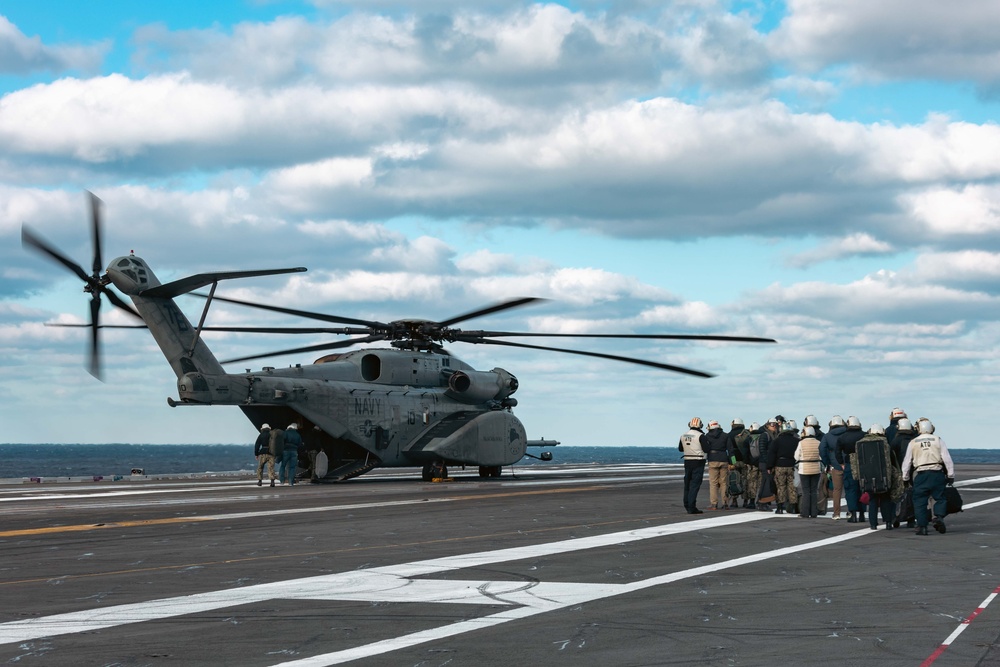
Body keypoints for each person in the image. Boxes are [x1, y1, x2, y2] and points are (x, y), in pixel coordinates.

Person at [901, 419, 955, 535]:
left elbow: (907, 462)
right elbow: (947, 459)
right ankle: (939, 516)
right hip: (937, 473)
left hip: (921, 474)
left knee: (919, 501)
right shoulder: (938, 440)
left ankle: (922, 527)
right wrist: (950, 475)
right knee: (940, 498)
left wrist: (905, 478)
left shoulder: (913, 442)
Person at [851, 424, 903, 530]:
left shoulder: (860, 443)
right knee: (886, 500)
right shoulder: (885, 443)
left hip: (867, 478)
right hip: (883, 477)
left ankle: (873, 524)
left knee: (872, 501)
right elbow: (892, 461)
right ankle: (888, 522)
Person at [837, 416, 867, 523]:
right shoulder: (864, 435)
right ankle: (863, 514)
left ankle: (853, 514)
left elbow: (837, 451)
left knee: (851, 489)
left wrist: (841, 463)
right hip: (863, 464)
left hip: (849, 463)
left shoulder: (843, 437)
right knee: (863, 488)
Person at [767, 420, 799, 514]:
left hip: (780, 465)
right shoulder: (796, 441)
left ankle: (780, 507)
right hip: (792, 466)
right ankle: (793, 507)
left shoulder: (776, 441)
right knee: (792, 486)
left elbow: (771, 454)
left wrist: (769, 467)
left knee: (781, 486)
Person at [678, 417, 707, 514]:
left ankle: (686, 504)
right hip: (698, 461)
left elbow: (680, 449)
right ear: (700, 425)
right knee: (695, 485)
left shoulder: (683, 435)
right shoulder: (701, 436)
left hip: (687, 461)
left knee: (687, 484)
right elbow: (706, 449)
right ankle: (692, 506)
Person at [820, 415, 846, 519]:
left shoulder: (827, 436)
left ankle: (836, 513)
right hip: (848, 464)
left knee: (837, 490)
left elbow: (822, 449)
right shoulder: (847, 434)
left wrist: (828, 462)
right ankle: (851, 512)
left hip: (835, 465)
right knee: (850, 489)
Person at [795, 426, 823, 518]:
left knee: (806, 491)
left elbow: (796, 456)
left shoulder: (801, 443)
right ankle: (814, 512)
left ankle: (805, 512)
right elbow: (821, 456)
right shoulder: (818, 442)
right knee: (814, 491)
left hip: (804, 469)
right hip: (816, 468)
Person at [704, 420, 729, 510]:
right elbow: (731, 450)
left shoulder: (707, 436)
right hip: (724, 460)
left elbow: (705, 448)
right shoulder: (725, 435)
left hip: (713, 460)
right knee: (724, 483)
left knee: (713, 483)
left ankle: (714, 504)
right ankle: (725, 503)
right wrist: (733, 462)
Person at [727, 418, 751, 508]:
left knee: (734, 480)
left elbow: (729, 451)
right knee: (746, 481)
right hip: (745, 460)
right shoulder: (747, 434)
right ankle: (746, 501)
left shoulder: (729, 435)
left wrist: (732, 462)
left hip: (734, 460)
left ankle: (734, 501)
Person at [756, 419, 779, 511]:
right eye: (771, 424)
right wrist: (768, 463)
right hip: (765, 463)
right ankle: (762, 503)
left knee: (766, 483)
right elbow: (762, 450)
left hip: (768, 463)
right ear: (767, 425)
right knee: (766, 483)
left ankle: (761, 502)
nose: (773, 426)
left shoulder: (773, 435)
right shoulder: (765, 435)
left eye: (775, 425)